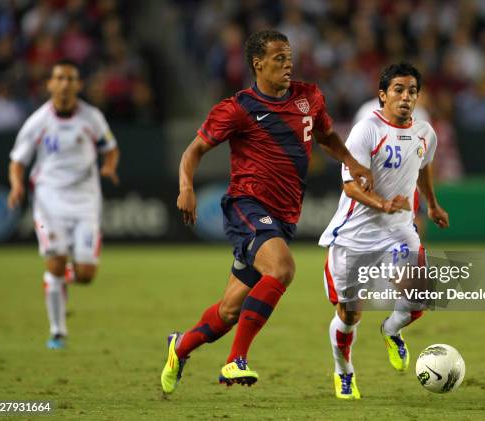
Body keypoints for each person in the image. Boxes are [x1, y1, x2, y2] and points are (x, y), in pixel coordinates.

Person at [160, 29, 373, 393]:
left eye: (289, 57)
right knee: (283, 268)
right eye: (278, 58)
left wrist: (352, 162)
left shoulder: (309, 97)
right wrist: (186, 188)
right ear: (258, 64)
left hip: (284, 216)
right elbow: (192, 152)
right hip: (247, 205)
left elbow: (326, 138)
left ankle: (179, 348)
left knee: (229, 312)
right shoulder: (237, 108)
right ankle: (235, 361)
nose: (287, 64)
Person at [318, 62, 449, 399]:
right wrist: (381, 203)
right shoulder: (366, 130)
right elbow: (350, 186)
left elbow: (423, 166)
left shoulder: (425, 132)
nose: (406, 97)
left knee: (418, 301)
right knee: (349, 315)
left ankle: (391, 331)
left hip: (399, 231)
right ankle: (343, 371)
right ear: (383, 95)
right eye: (399, 90)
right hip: (355, 236)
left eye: (412, 91)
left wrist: (431, 204)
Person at [7, 59, 120, 349]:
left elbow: (111, 148)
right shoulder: (38, 121)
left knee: (86, 275)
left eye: (71, 79)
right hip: (49, 199)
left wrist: (109, 166)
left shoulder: (91, 117)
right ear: (50, 84)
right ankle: (58, 331)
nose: (65, 84)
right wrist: (18, 185)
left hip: (85, 201)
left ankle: (59, 278)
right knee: (56, 260)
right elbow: (17, 161)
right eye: (60, 78)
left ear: (79, 85)